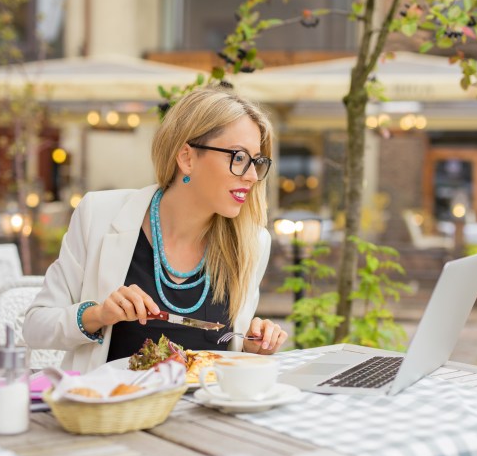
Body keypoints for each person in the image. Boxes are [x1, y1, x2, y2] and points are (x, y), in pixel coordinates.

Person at [23, 87, 288, 373]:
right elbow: (36, 327)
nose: (251, 176)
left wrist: (250, 346)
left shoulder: (252, 242)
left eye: (257, 162)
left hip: (206, 412)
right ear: (187, 158)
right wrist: (98, 314)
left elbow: (229, 355)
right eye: (238, 158)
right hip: (117, 409)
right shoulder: (98, 215)